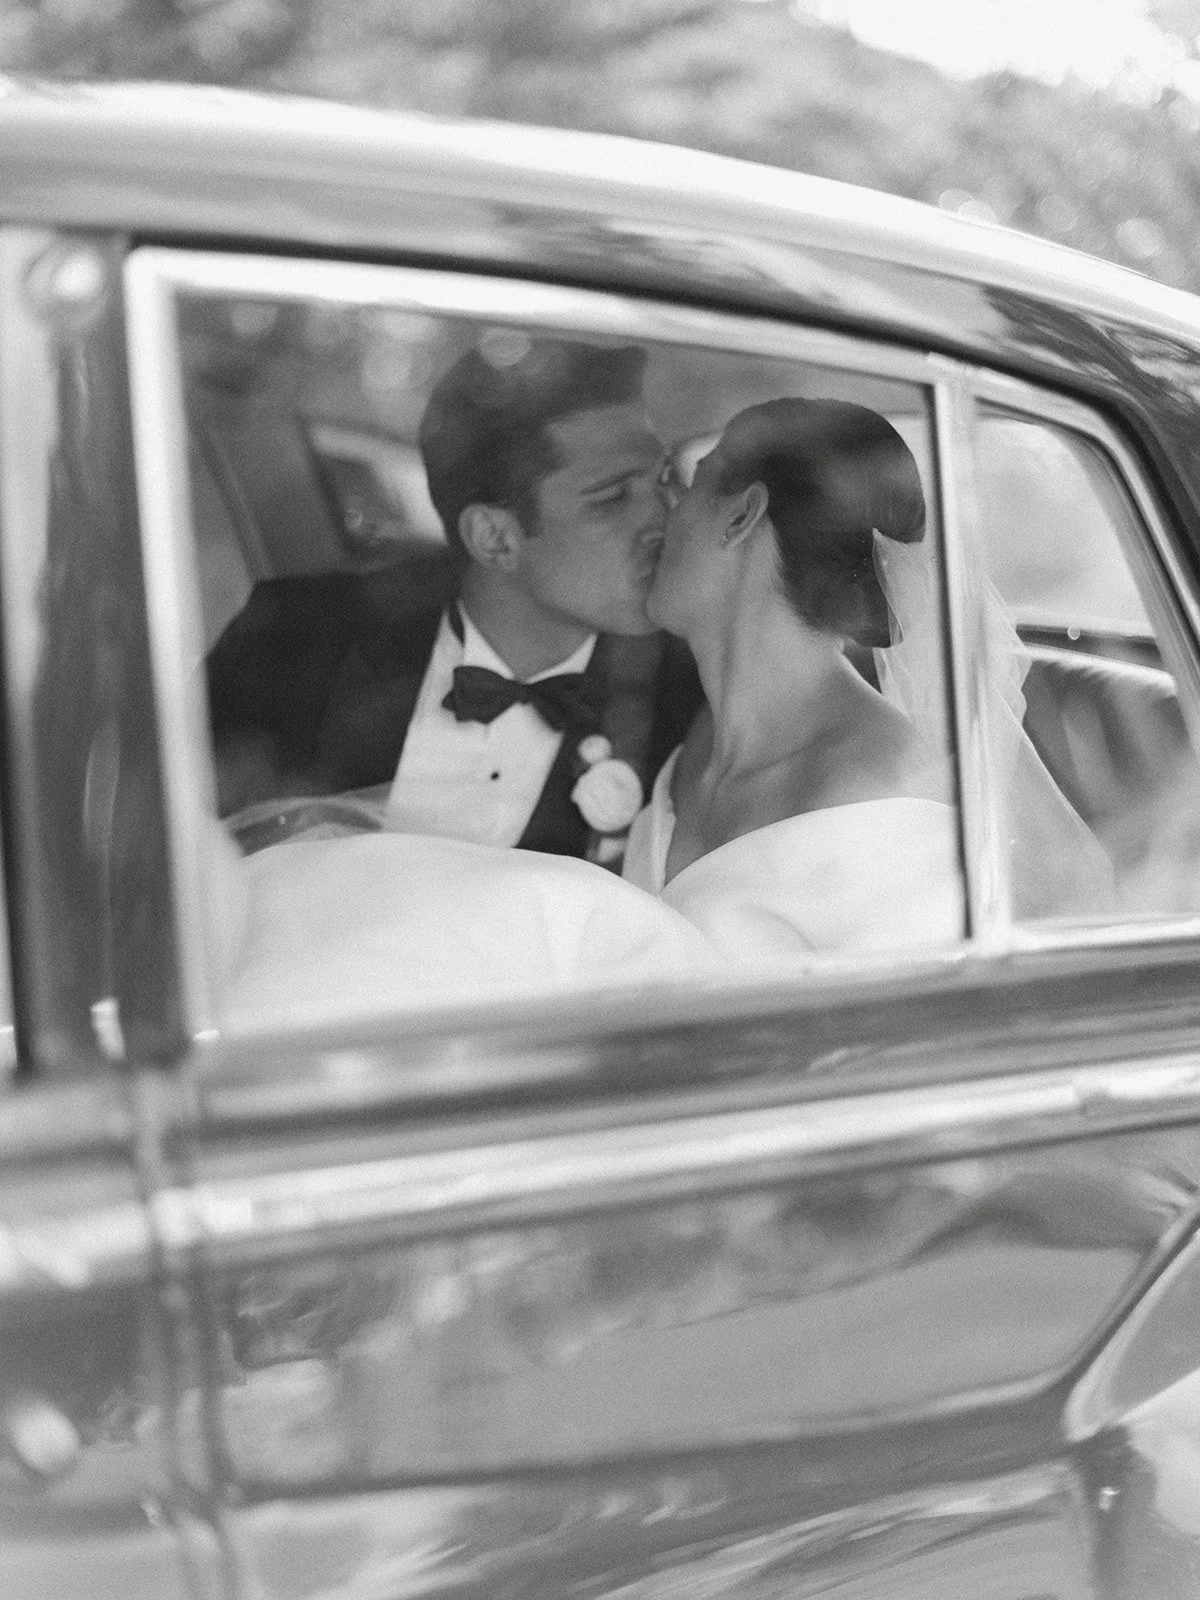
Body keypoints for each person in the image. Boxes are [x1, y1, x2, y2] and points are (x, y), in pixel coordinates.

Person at [206, 334, 696, 858]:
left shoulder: (685, 700)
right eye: (612, 497)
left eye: (666, 478)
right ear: (495, 539)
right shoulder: (293, 640)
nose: (670, 517)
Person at [622, 398, 965, 961]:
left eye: (690, 485)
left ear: (740, 517)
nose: (663, 519)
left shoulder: (886, 800)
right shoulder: (695, 745)